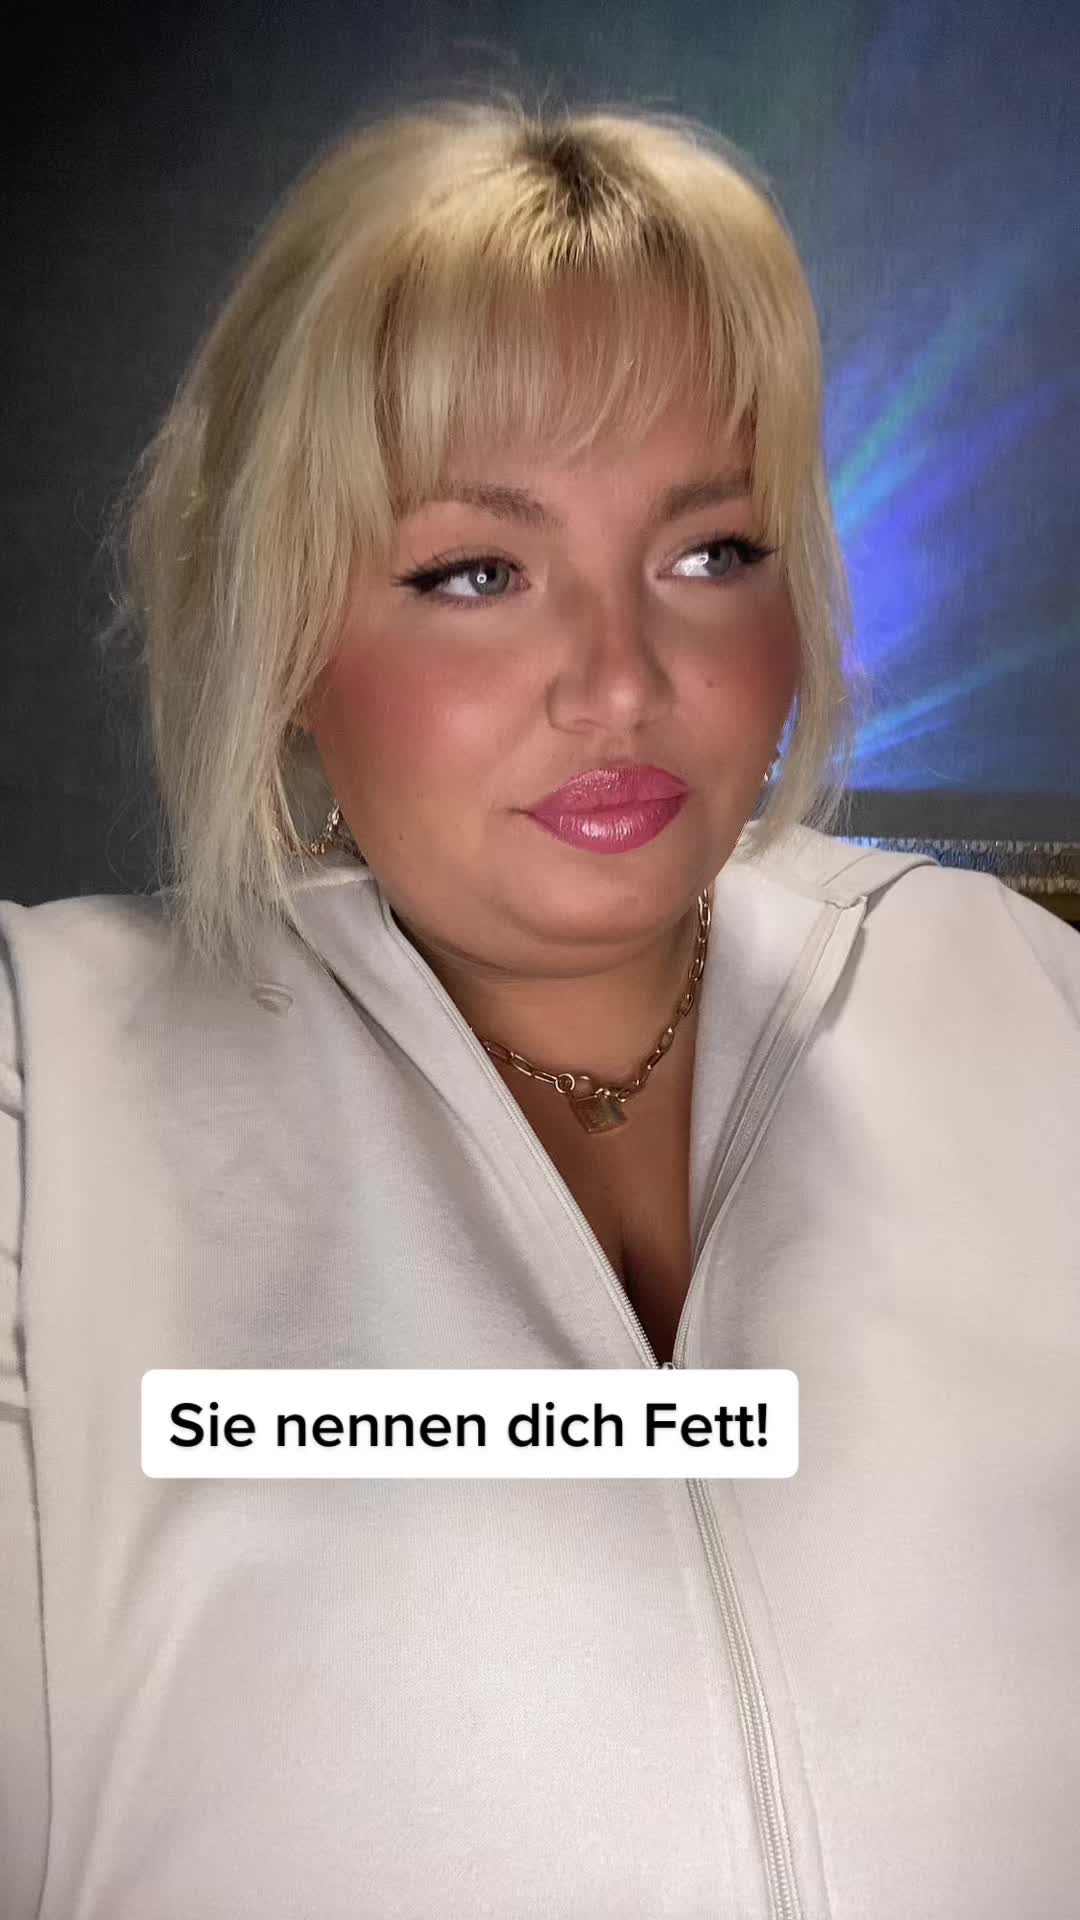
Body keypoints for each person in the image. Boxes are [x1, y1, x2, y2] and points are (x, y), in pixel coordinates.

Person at [1, 91, 1078, 1920]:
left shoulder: (1022, 1005)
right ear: (285, 631)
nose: (618, 680)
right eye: (476, 573)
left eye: (710, 553)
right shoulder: (49, 1104)